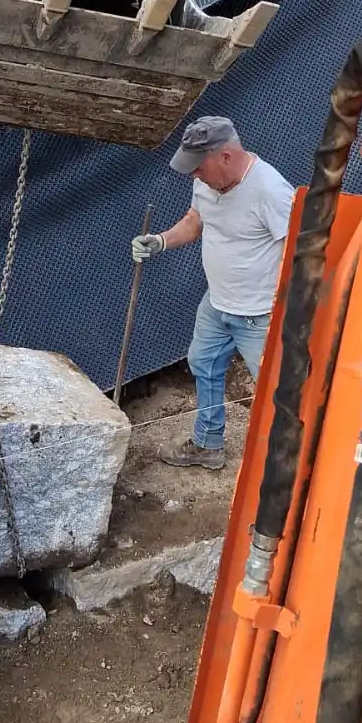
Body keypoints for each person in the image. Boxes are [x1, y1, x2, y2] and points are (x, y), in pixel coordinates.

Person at [132, 116, 294, 471]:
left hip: (259, 314)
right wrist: (160, 241)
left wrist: (288, 310)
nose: (193, 174)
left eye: (198, 166)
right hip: (217, 302)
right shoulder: (206, 182)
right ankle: (208, 444)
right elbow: (195, 220)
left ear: (225, 156)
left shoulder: (271, 190)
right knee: (203, 364)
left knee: (279, 389)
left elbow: (298, 250)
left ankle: (291, 466)